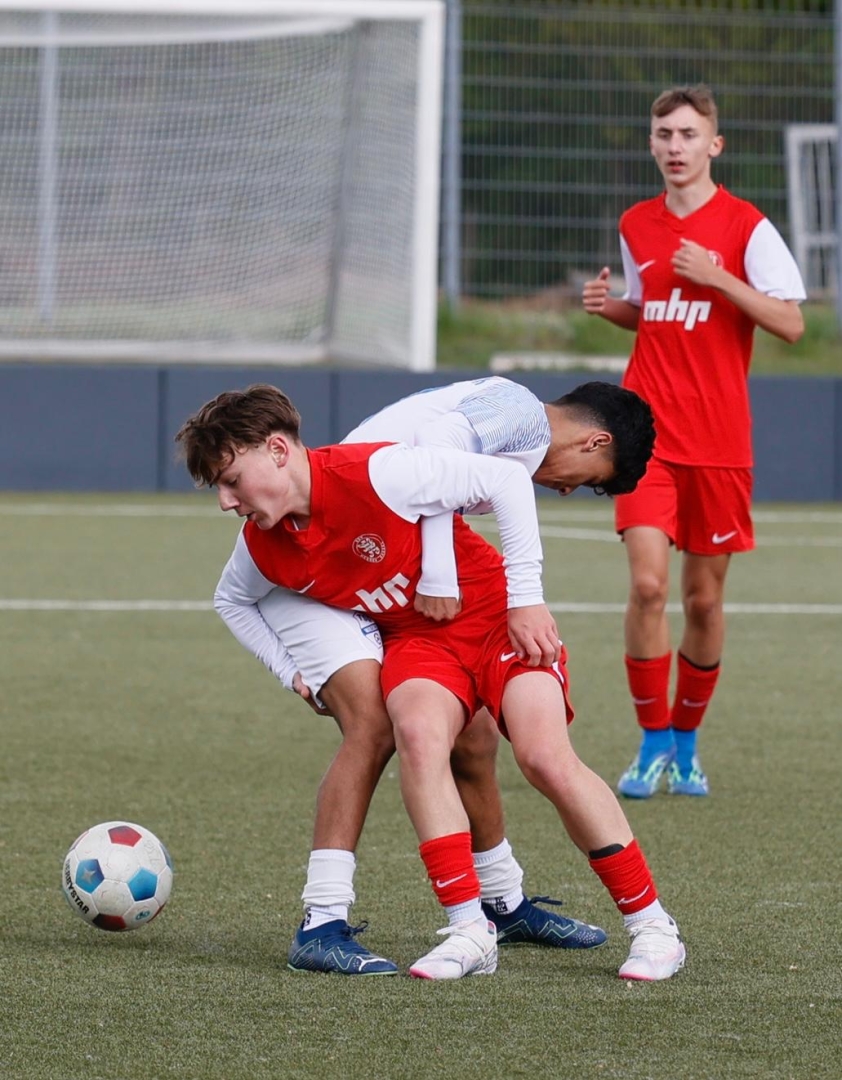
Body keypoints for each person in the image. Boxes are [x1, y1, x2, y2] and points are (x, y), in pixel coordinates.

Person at [176, 384, 684, 982]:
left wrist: (525, 600)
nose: (226, 502)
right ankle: (470, 930)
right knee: (416, 733)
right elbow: (232, 600)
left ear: (279, 451)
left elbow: (507, 480)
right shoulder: (264, 546)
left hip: (493, 616)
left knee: (544, 757)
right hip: (418, 640)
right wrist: (291, 671)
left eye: (232, 481)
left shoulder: (381, 472)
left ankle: (653, 927)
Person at [582, 84, 806, 799]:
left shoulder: (747, 227)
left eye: (687, 134)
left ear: (715, 145)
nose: (674, 147)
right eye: (663, 134)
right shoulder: (636, 223)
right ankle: (651, 744)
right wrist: (613, 309)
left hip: (719, 443)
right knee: (648, 586)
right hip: (645, 434)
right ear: (651, 144)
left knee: (703, 603)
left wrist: (718, 277)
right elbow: (655, 311)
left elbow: (791, 323)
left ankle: (686, 743)